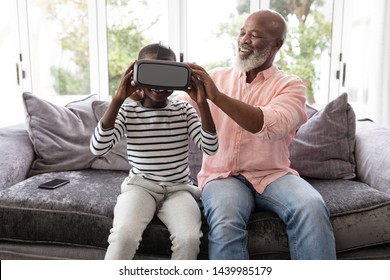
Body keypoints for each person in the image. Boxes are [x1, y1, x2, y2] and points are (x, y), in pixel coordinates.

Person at [180, 9, 336, 259]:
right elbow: (177, 107)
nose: (244, 40)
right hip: (222, 176)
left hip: (272, 174)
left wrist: (217, 97)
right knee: (225, 217)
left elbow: (269, 124)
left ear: (277, 44)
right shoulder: (217, 77)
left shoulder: (290, 85)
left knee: (312, 206)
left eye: (255, 35)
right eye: (242, 33)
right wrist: (148, 93)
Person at [90, 43, 218, 260]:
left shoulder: (183, 109)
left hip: (179, 189)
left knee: (189, 239)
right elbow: (98, 148)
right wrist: (119, 98)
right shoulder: (128, 110)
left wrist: (202, 103)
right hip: (140, 187)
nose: (159, 83)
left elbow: (210, 147)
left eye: (166, 74)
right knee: (123, 236)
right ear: (137, 74)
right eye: (152, 73)